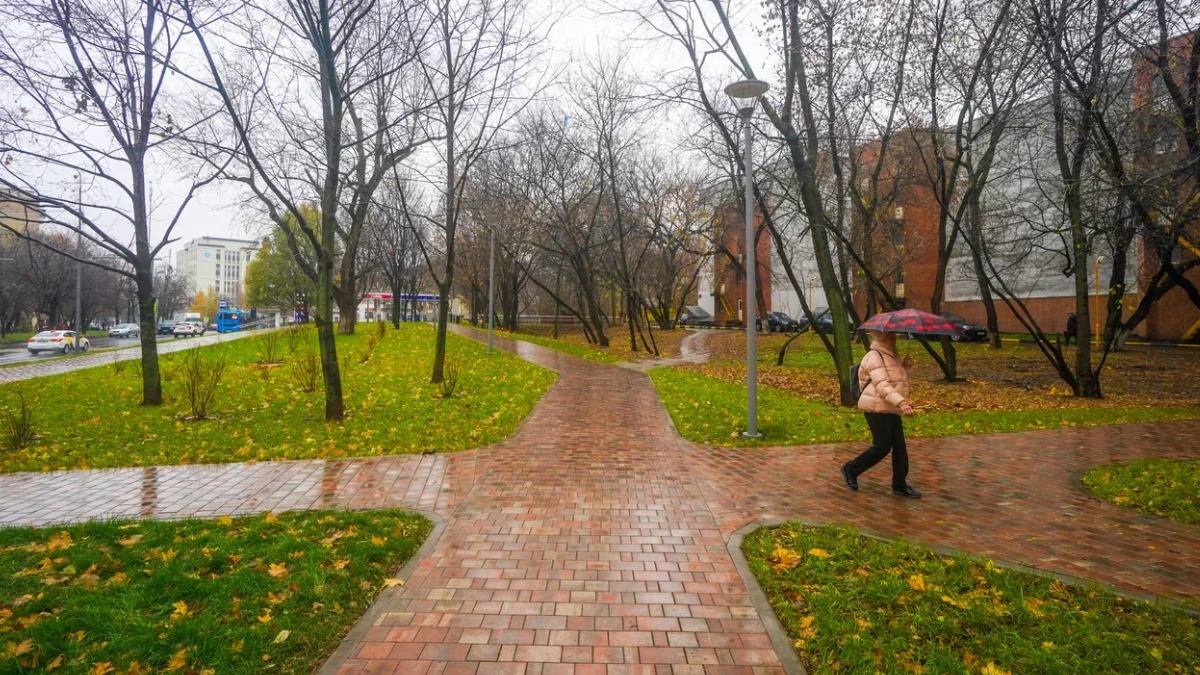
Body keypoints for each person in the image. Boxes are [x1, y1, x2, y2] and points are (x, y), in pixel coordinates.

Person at [840, 330, 921, 498]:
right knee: (882, 447)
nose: (893, 338)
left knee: (899, 447)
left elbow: (895, 381)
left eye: (893, 335)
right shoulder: (874, 357)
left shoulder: (890, 355)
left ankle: (899, 485)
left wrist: (905, 366)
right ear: (881, 337)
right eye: (890, 335)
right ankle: (850, 468)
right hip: (875, 407)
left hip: (889, 407)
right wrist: (902, 403)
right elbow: (882, 385)